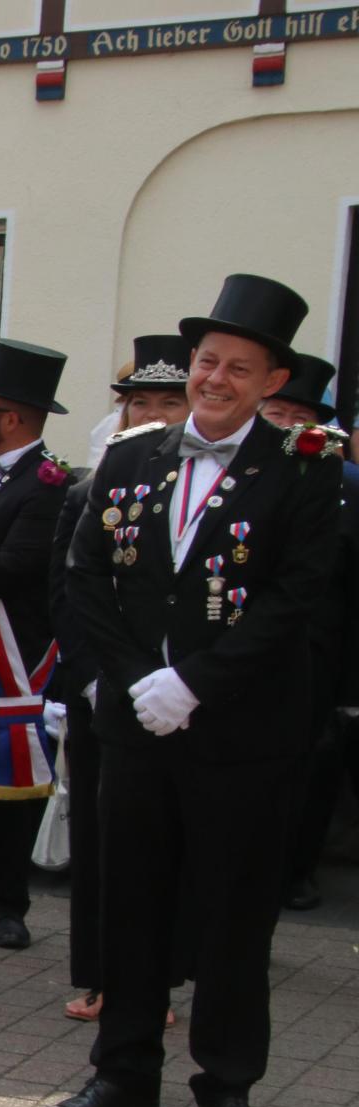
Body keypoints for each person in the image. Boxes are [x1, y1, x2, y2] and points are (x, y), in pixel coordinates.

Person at [47, 274, 336, 1107]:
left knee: (233, 916)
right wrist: (137, 681)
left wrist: (199, 681)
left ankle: (227, 1086)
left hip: (243, 734)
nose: (215, 380)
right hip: (138, 725)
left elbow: (300, 596)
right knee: (129, 901)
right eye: (207, 362)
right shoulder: (133, 457)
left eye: (238, 369)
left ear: (270, 382)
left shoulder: (300, 472)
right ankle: (124, 1069)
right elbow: (87, 573)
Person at [55, 334, 192, 1022]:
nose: (158, 415)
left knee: (167, 845)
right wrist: (87, 679)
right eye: (144, 402)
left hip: (179, 696)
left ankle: (159, 980)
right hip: (101, 691)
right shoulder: (89, 486)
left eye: (174, 400)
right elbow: (68, 590)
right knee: (101, 843)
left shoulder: (207, 489)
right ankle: (103, 976)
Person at [0, 341, 72, 952]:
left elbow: (18, 565)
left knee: (3, 782)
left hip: (10, 652)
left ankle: (6, 903)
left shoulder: (49, 483)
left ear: (7, 417)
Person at [262, 355, 349, 910]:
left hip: (315, 654)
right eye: (278, 411)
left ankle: (295, 870)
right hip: (227, 652)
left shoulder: (342, 484)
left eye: (301, 415)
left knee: (306, 766)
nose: (288, 423)